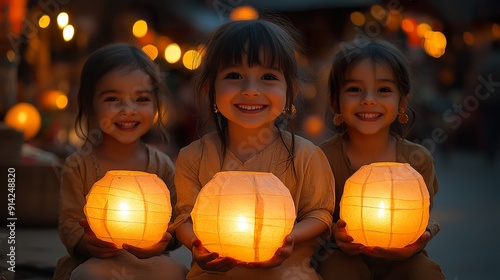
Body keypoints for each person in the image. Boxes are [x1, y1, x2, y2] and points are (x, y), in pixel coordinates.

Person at [171, 18, 335, 279]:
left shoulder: (306, 155)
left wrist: (289, 237)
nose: (250, 90)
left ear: (290, 91)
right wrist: (196, 245)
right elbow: (183, 219)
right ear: (210, 89)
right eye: (234, 76)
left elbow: (320, 214)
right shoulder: (194, 157)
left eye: (268, 77)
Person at [53, 43, 187, 280]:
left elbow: (176, 223)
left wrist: (165, 241)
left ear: (156, 105)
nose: (128, 110)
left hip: (148, 264)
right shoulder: (79, 165)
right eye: (113, 99)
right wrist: (87, 243)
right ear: (88, 103)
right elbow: (69, 223)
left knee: (180, 273)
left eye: (141, 99)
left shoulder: (162, 165)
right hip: (94, 263)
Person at [316, 39, 445, 279]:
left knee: (425, 273)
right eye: (354, 89)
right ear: (335, 102)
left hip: (403, 257)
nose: (369, 99)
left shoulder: (417, 160)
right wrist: (334, 233)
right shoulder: (323, 158)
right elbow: (313, 218)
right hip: (340, 256)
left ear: (402, 102)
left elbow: (422, 216)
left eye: (383, 90)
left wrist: (422, 235)